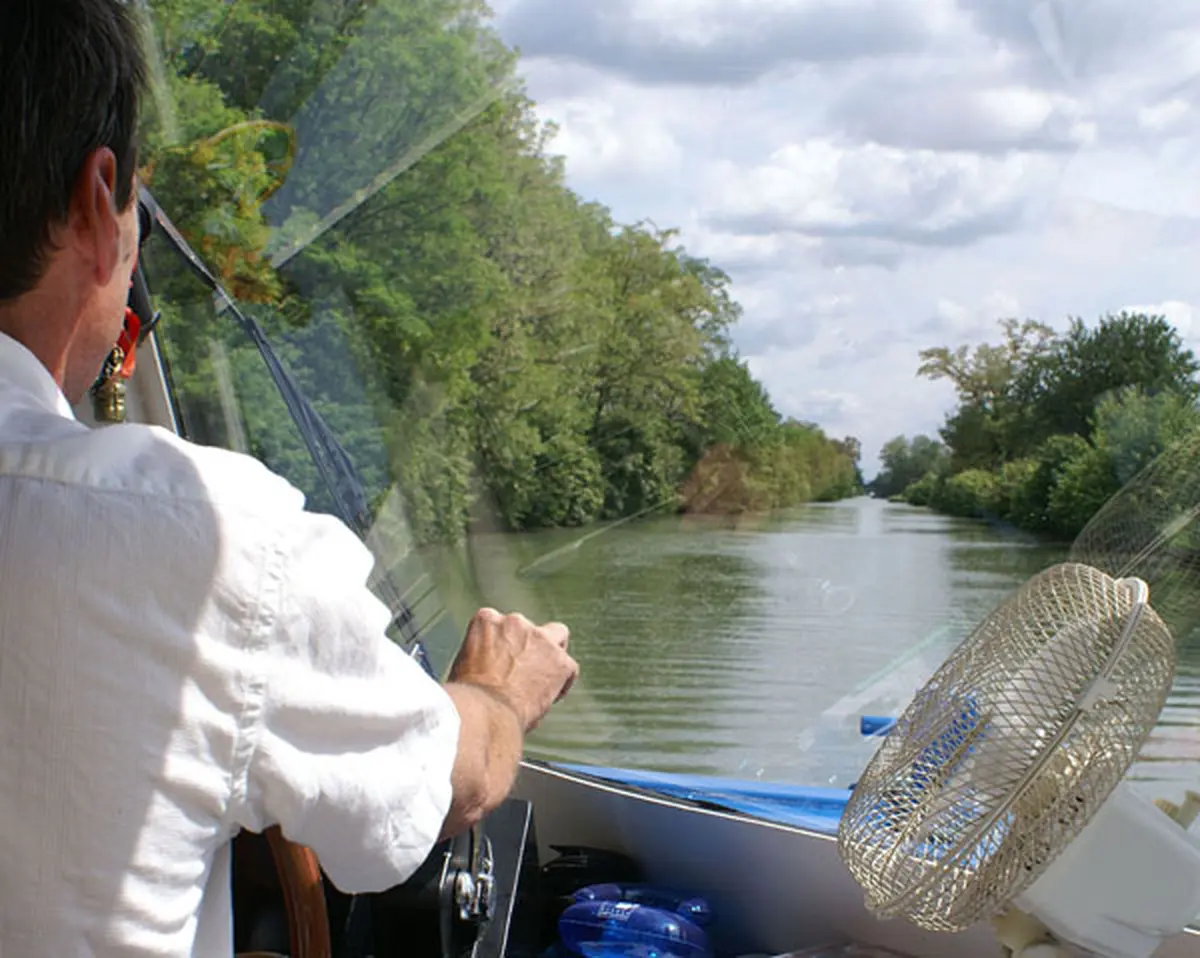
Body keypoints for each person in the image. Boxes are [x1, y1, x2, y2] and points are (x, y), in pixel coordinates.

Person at [0, 1, 578, 955]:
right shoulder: (202, 539)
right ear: (97, 204)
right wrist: (500, 695)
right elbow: (442, 786)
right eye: (139, 210)